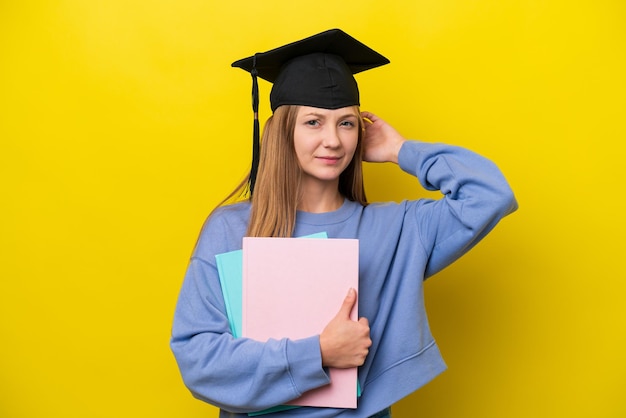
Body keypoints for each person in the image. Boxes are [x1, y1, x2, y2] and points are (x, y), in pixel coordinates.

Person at [170, 29, 517, 418]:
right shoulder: (232, 229)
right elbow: (198, 358)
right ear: (282, 131)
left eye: (347, 124)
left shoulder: (396, 230)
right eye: (314, 122)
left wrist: (400, 150)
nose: (333, 141)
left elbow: (491, 195)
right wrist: (318, 352)